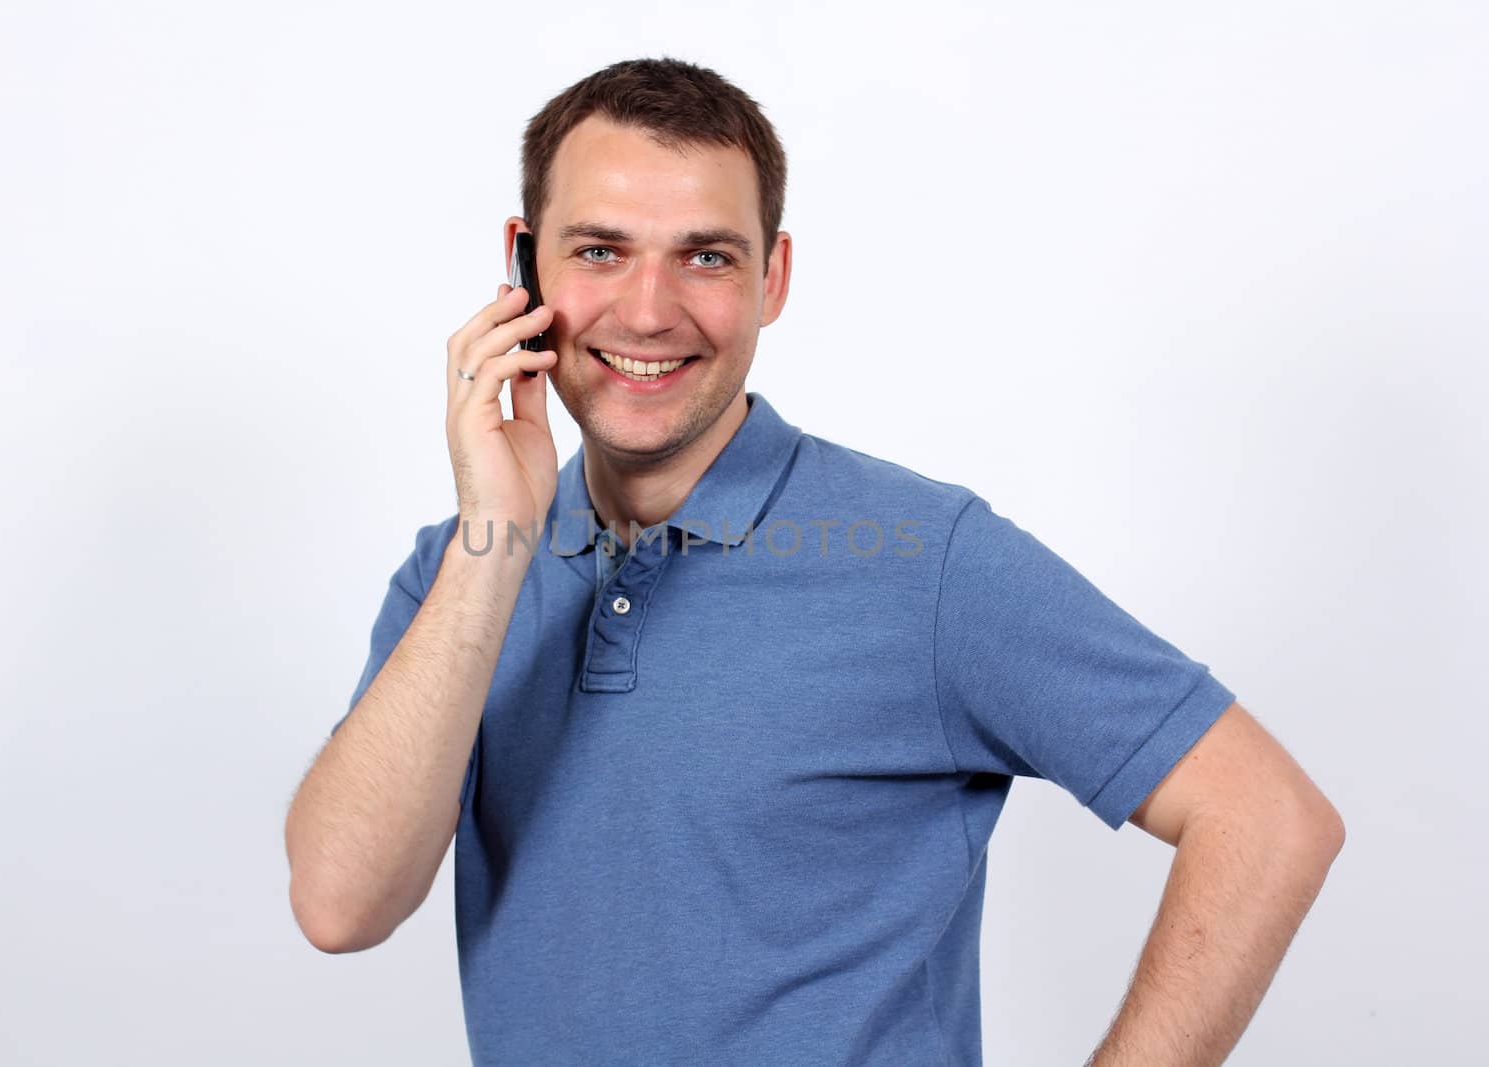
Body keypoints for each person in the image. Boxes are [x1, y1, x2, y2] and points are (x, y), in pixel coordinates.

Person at [284, 57, 1344, 1066]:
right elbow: (340, 904)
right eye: (599, 250)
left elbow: (1265, 816)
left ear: (772, 276)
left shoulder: (925, 561)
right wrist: (497, 539)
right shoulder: (455, 574)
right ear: (523, 263)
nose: (649, 309)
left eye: (706, 255)